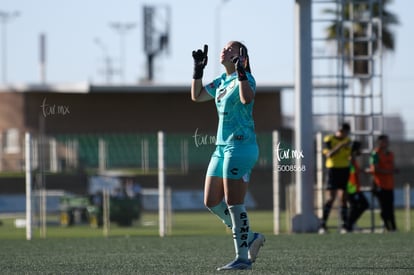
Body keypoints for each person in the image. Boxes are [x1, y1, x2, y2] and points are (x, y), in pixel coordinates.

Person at [191, 41, 265, 271]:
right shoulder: (221, 81)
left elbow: (246, 99)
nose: (224, 50)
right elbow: (198, 95)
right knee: (211, 200)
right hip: (221, 147)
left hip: (240, 147)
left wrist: (242, 73)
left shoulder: (247, 78)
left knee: (234, 202)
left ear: (241, 56)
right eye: (224, 47)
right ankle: (250, 236)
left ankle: (243, 258)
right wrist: (198, 71)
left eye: (231, 48)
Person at [319, 123, 352, 234]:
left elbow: (349, 155)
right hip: (332, 170)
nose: (343, 133)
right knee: (330, 198)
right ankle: (323, 225)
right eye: (341, 131)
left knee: (343, 198)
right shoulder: (329, 139)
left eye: (345, 132)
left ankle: (344, 226)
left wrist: (355, 152)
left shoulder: (348, 141)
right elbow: (329, 155)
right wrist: (341, 145)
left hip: (344, 169)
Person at [370, 134, 398, 232]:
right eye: (384, 141)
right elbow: (375, 169)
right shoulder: (375, 154)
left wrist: (393, 170)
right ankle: (388, 227)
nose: (386, 143)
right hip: (379, 185)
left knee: (390, 208)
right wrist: (390, 171)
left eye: (387, 141)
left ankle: (394, 228)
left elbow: (392, 167)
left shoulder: (390, 154)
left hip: (389, 185)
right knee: (384, 209)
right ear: (380, 142)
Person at [345, 141, 369, 232]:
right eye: (360, 149)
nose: (361, 151)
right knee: (357, 206)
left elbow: (355, 171)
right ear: (355, 150)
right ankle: (349, 225)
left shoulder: (353, 160)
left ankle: (350, 224)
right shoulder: (350, 159)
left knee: (360, 205)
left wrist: (363, 171)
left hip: (355, 187)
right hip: (351, 188)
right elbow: (349, 174)